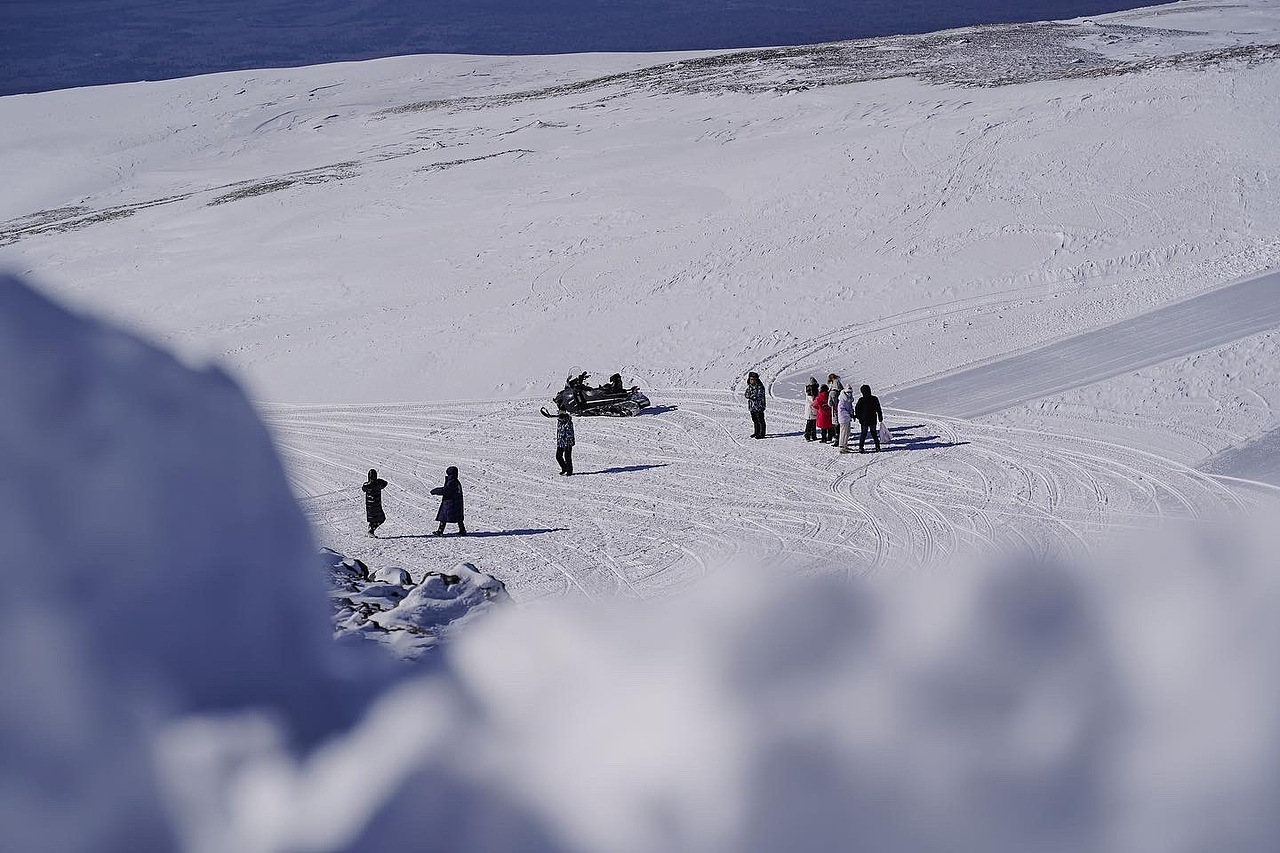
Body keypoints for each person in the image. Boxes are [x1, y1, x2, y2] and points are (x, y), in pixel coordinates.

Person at [430, 466, 467, 535]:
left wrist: (435, 491)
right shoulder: (455, 481)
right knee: (458, 517)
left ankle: (440, 531)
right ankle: (462, 530)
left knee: (443, 516)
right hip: (456, 502)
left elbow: (446, 491)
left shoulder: (452, 481)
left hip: (450, 502)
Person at [541, 405, 576, 475]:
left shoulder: (568, 421)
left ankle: (569, 471)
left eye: (561, 413)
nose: (560, 414)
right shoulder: (560, 421)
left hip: (568, 442)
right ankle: (564, 468)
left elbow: (568, 422)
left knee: (567, 457)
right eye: (559, 412)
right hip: (560, 442)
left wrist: (566, 417)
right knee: (558, 456)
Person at [854, 384, 884, 453]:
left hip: (864, 420)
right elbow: (878, 409)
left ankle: (861, 447)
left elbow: (857, 409)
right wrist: (880, 417)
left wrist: (859, 417)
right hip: (873, 419)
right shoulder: (874, 398)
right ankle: (877, 446)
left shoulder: (861, 400)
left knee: (863, 434)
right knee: (874, 433)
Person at [362, 469, 388, 536]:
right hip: (377, 505)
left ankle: (371, 528)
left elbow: (363, 488)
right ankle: (371, 530)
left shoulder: (366, 485)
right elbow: (385, 483)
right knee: (382, 518)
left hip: (369, 506)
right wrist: (378, 480)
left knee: (372, 519)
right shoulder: (378, 484)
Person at [744, 372, 767, 439]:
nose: (752, 381)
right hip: (752, 407)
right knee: (755, 420)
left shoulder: (760, 387)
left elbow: (759, 396)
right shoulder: (750, 387)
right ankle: (756, 432)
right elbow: (746, 394)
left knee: (760, 420)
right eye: (751, 379)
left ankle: (762, 433)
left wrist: (751, 396)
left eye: (753, 379)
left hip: (759, 407)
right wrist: (748, 395)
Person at [836, 385, 855, 453]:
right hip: (843, 418)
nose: (849, 393)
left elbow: (850, 408)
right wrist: (848, 414)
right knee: (843, 433)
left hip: (848, 418)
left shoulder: (848, 400)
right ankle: (841, 446)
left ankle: (845, 445)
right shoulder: (842, 400)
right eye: (848, 392)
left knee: (847, 432)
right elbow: (841, 410)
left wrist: (852, 413)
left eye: (850, 392)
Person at [803, 377, 819, 442]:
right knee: (810, 422)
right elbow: (811, 400)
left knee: (813, 422)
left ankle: (813, 435)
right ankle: (807, 435)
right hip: (810, 408)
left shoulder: (814, 390)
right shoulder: (809, 391)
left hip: (813, 408)